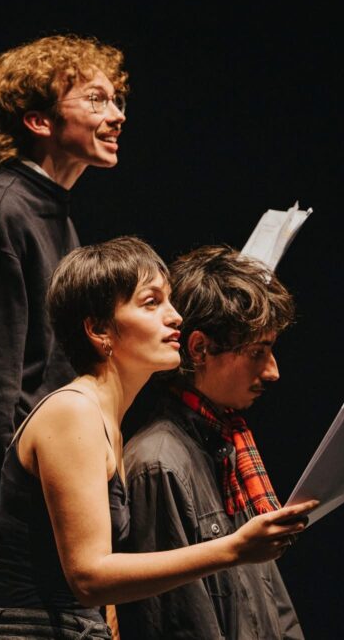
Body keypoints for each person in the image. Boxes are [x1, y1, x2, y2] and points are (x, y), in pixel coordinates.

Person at [0, 236, 316, 639]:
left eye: (170, 301)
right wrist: (234, 549)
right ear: (99, 329)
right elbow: (89, 577)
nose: (175, 317)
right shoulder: (73, 411)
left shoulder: (105, 420)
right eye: (151, 302)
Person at [0, 33, 128, 639]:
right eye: (95, 99)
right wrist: (25, 512)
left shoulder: (52, 212)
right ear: (39, 120)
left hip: (54, 509)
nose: (116, 114)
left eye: (117, 99)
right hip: (13, 525)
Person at [119, 244, 305, 639]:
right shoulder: (158, 465)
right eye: (257, 352)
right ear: (200, 348)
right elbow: (177, 626)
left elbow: (273, 605)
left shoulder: (231, 448)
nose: (272, 372)